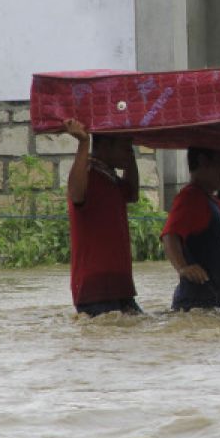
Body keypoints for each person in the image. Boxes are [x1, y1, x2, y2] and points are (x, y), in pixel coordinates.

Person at [63, 118, 141, 316]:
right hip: (95, 291)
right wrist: (83, 143)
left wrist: (130, 148)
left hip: (121, 287)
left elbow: (132, 193)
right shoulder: (88, 174)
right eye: (125, 147)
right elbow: (75, 193)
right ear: (105, 146)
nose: (128, 153)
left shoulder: (112, 179)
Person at [161, 147, 220, 311]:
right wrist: (183, 267)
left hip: (212, 303)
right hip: (194, 304)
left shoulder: (211, 201)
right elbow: (169, 235)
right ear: (202, 161)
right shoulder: (190, 198)